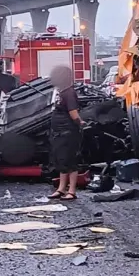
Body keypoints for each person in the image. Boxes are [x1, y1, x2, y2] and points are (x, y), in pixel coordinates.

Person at [47, 65, 83, 200]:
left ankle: (71, 191)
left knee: (70, 160)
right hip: (59, 132)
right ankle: (61, 189)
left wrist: (80, 122)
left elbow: (73, 113)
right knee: (61, 160)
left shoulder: (69, 93)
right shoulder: (60, 92)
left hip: (68, 132)